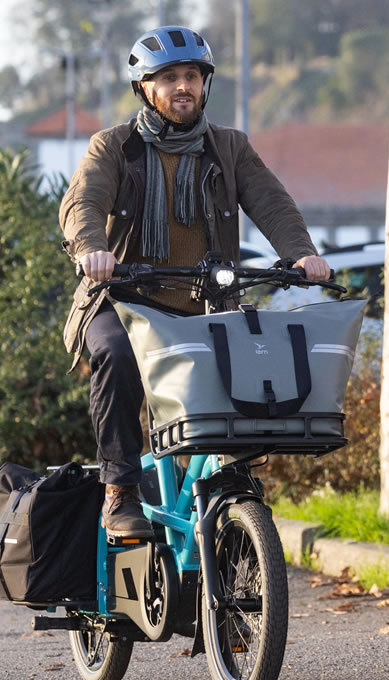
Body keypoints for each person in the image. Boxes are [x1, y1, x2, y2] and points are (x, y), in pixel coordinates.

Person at [59, 26, 329, 541]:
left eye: (191, 76)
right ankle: (120, 490)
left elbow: (271, 202)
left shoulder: (228, 147)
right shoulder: (115, 146)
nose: (183, 87)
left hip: (203, 299)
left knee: (252, 361)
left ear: (205, 84)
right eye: (169, 78)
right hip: (122, 298)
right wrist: (92, 250)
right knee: (115, 356)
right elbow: (83, 202)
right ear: (144, 88)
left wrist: (302, 255)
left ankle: (230, 483)